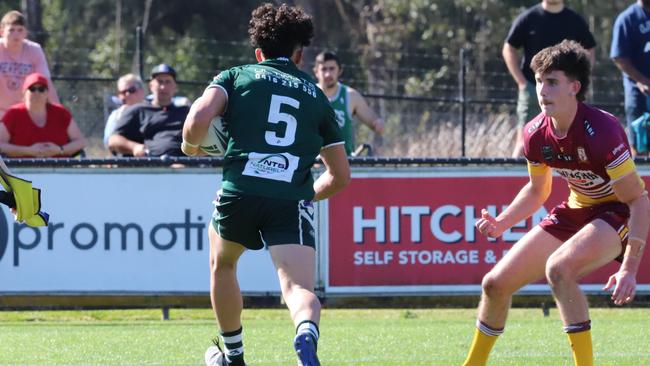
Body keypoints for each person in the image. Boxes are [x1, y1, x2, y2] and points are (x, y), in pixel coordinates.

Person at [463, 40, 650, 366]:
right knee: (494, 285)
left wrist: (629, 269)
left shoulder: (603, 131)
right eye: (538, 81)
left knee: (559, 269)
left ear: (574, 88)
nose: (542, 90)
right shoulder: (535, 132)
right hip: (577, 208)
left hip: (618, 211)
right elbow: (538, 191)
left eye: (552, 82)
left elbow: (638, 200)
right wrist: (502, 223)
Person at [182, 3, 350, 366]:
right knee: (299, 289)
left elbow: (198, 117)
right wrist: (304, 195)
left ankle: (235, 356)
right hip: (289, 199)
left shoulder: (236, 76)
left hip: (239, 190)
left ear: (259, 52)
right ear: (300, 54)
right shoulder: (317, 97)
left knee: (223, 265)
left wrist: (190, 145)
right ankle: (306, 331)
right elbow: (340, 176)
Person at [503, 0, 596, 157]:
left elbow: (590, 49)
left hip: (565, 92)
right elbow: (509, 48)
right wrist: (522, 82)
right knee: (523, 143)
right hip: (533, 90)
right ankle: (514, 181)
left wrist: (580, 77)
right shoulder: (528, 18)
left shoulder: (575, 20)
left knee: (575, 143)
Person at [108, 64, 189, 157]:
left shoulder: (186, 112)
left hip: (188, 166)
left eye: (168, 82)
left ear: (175, 87)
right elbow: (113, 140)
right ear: (151, 86)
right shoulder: (138, 111)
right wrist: (135, 147)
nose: (163, 87)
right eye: (159, 82)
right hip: (150, 165)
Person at [313, 50, 383, 156]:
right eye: (323, 69)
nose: (328, 74)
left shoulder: (350, 96)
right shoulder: (309, 94)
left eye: (332, 69)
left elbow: (375, 123)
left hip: (344, 164)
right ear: (316, 72)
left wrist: (378, 124)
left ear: (339, 71)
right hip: (314, 163)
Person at [0, 72, 86, 157]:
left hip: (59, 168)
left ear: (47, 93)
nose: (37, 93)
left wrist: (60, 150)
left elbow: (80, 142)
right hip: (21, 169)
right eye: (32, 89)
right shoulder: (13, 114)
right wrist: (28, 151)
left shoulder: (61, 113)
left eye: (41, 89)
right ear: (24, 92)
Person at [0, 10, 59, 117]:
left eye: (20, 30)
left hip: (25, 113)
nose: (16, 35)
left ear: (25, 33)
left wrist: (59, 113)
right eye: (11, 30)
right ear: (2, 31)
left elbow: (46, 83)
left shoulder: (34, 50)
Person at [611, 0, 650, 156]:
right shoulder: (627, 18)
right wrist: (642, 80)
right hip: (639, 94)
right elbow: (619, 57)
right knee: (640, 148)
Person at [103, 73, 145, 148]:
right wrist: (119, 120)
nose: (127, 94)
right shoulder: (115, 115)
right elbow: (108, 142)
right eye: (122, 92)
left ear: (141, 91)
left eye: (131, 90)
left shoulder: (153, 110)